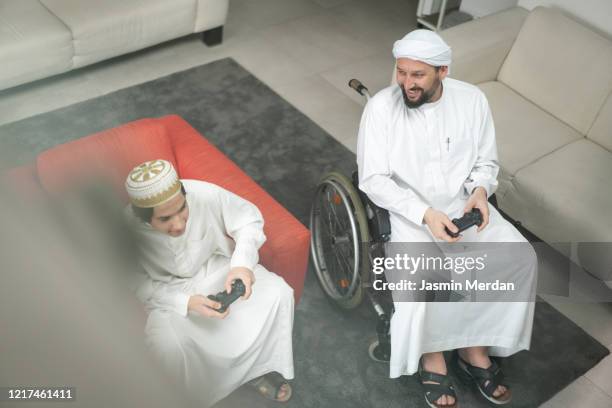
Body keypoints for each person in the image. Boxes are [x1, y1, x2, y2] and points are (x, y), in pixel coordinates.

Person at [357, 30, 537, 407]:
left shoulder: (472, 101)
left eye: (417, 75)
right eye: (401, 72)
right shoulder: (380, 110)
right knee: (429, 275)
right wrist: (425, 214)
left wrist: (479, 192)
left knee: (519, 259)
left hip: (463, 209)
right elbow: (373, 179)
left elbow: (486, 163)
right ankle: (432, 355)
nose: (406, 83)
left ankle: (475, 347)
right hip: (409, 214)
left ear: (443, 70)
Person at [123, 159, 294, 407]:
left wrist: (241, 264)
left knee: (279, 293)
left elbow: (248, 221)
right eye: (165, 219)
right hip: (168, 293)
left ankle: (257, 371)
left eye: (182, 210)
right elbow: (136, 282)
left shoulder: (203, 193)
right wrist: (186, 302)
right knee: (168, 347)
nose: (179, 224)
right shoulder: (124, 230)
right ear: (143, 218)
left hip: (217, 269)